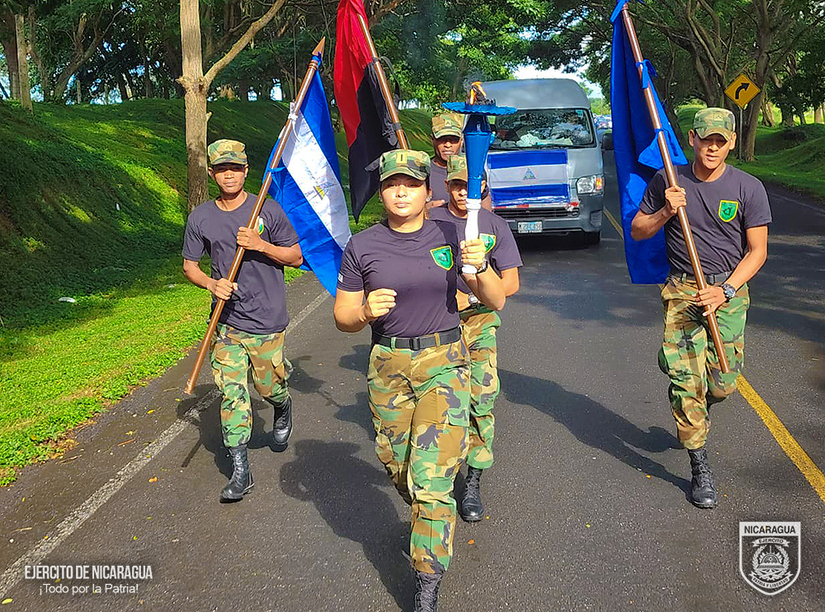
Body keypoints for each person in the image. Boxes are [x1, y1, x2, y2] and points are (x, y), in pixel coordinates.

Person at [334, 149, 505, 611]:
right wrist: (365, 311)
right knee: (400, 469)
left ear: (427, 190)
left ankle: (426, 580)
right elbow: (342, 315)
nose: (401, 191)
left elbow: (497, 299)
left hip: (445, 361)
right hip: (388, 366)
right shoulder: (362, 245)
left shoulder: (452, 233)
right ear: (382, 192)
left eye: (411, 183)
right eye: (392, 184)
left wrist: (481, 266)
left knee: (431, 482)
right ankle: (431, 513)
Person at [631, 108, 771, 509]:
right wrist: (665, 210)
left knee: (723, 383)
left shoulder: (748, 187)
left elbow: (757, 251)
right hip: (682, 290)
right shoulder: (669, 180)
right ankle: (698, 464)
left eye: (720, 141)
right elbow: (639, 231)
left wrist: (725, 290)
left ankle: (685, 379)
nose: (712, 147)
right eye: (705, 139)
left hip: (727, 289)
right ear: (692, 138)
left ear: (730, 143)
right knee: (686, 382)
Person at [182, 139, 303, 502]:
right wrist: (211, 283)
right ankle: (241, 471)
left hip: (266, 320)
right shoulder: (201, 217)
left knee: (268, 388)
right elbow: (190, 266)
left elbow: (296, 256)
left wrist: (260, 245)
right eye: (222, 168)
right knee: (232, 394)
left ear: (246, 170)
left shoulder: (266, 210)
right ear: (212, 173)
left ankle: (283, 406)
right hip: (226, 324)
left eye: (235, 167)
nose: (229, 174)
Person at [429, 155, 522, 522]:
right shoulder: (429, 223)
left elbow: (511, 283)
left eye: (471, 184)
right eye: (456, 184)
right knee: (443, 404)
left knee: (480, 401)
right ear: (448, 186)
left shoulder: (495, 226)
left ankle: (473, 480)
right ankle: (441, 474)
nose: (464, 191)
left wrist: (470, 295)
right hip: (438, 325)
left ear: (483, 186)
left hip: (480, 323)